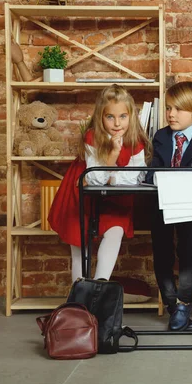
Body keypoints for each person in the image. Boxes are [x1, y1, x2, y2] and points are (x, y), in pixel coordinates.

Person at [48, 85, 151, 282]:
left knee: (115, 231)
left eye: (123, 116)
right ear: (100, 117)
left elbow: (136, 177)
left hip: (116, 199)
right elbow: (94, 179)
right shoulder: (92, 137)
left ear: (131, 116)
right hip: (82, 196)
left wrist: (113, 177)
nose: (117, 123)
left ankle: (99, 288)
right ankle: (80, 297)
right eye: (110, 117)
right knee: (80, 244)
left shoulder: (136, 141)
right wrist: (112, 156)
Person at [146, 81, 192, 331]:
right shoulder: (161, 136)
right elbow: (153, 169)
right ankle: (172, 307)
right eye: (168, 108)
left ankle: (185, 303)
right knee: (162, 253)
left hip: (191, 204)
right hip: (162, 203)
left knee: (188, 254)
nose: (171, 114)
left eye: (178, 109)